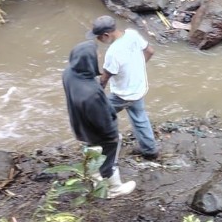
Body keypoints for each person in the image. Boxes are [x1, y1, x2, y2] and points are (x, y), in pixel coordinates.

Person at [62, 40, 137, 198]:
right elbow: (102, 122)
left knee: (91, 147)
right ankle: (114, 189)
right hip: (98, 131)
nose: (100, 55)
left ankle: (94, 175)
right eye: (96, 54)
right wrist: (113, 136)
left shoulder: (69, 73)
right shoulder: (91, 93)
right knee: (109, 155)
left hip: (79, 124)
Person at [89, 15, 159, 160]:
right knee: (140, 118)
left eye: (98, 37)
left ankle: (104, 146)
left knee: (99, 114)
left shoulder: (113, 53)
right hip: (139, 87)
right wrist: (137, 68)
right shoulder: (132, 34)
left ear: (106, 35)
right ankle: (150, 150)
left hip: (123, 95)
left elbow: (104, 79)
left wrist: (95, 96)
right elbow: (150, 51)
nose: (97, 40)